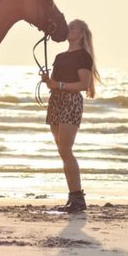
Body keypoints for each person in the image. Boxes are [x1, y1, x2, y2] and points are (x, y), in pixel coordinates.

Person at [41, 19, 101, 213]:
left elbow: (83, 85)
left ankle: (78, 198)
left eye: (73, 27)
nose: (69, 28)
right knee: (62, 150)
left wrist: (58, 85)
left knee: (66, 149)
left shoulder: (83, 56)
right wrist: (49, 81)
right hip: (56, 102)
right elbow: (58, 82)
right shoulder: (59, 56)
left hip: (70, 102)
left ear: (82, 34)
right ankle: (73, 197)